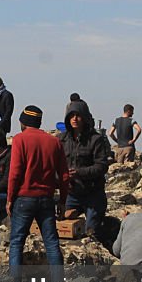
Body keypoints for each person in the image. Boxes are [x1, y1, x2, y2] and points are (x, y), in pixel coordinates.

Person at [7, 105, 70, 281]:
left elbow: (15, 173)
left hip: (24, 198)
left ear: (23, 122)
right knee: (51, 243)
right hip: (46, 198)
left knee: (17, 242)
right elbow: (64, 176)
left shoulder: (20, 139)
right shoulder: (54, 142)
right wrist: (63, 201)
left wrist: (10, 198)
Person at [60, 101, 110, 236]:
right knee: (64, 228)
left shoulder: (95, 139)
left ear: (85, 118)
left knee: (91, 232)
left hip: (93, 194)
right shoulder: (62, 139)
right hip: (72, 193)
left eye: (78, 115)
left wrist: (79, 173)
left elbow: (101, 166)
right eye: (72, 116)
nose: (74, 119)